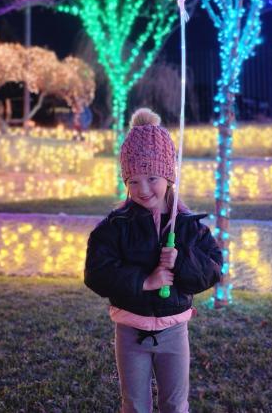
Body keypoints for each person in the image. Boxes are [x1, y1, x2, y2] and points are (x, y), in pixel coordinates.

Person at [84, 108, 223, 413]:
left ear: (169, 176)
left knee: (175, 404)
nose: (143, 190)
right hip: (130, 332)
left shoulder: (187, 225)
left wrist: (181, 261)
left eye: (151, 177)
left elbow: (212, 269)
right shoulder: (115, 226)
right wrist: (145, 281)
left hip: (174, 332)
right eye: (133, 181)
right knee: (134, 405)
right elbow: (96, 273)